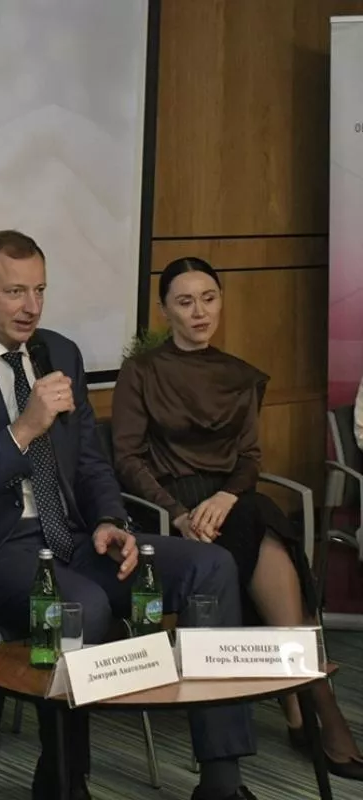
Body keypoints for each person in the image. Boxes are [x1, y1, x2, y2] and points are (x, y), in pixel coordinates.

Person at [0, 230, 258, 800]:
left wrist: (112, 520)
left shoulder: (59, 353)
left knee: (210, 567)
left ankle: (221, 780)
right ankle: (63, 780)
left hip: (73, 537)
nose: (31, 306)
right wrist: (23, 430)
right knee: (79, 607)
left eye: (40, 290)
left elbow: (90, 461)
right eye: (15, 292)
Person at [112, 256, 363, 780]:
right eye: (185, 302)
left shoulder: (240, 374)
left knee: (259, 516)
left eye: (209, 298)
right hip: (169, 510)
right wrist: (179, 515)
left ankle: (305, 701)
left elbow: (249, 459)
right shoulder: (142, 372)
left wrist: (226, 496)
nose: (199, 312)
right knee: (264, 528)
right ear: (164, 310)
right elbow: (128, 460)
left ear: (221, 302)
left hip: (230, 503)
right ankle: (311, 702)